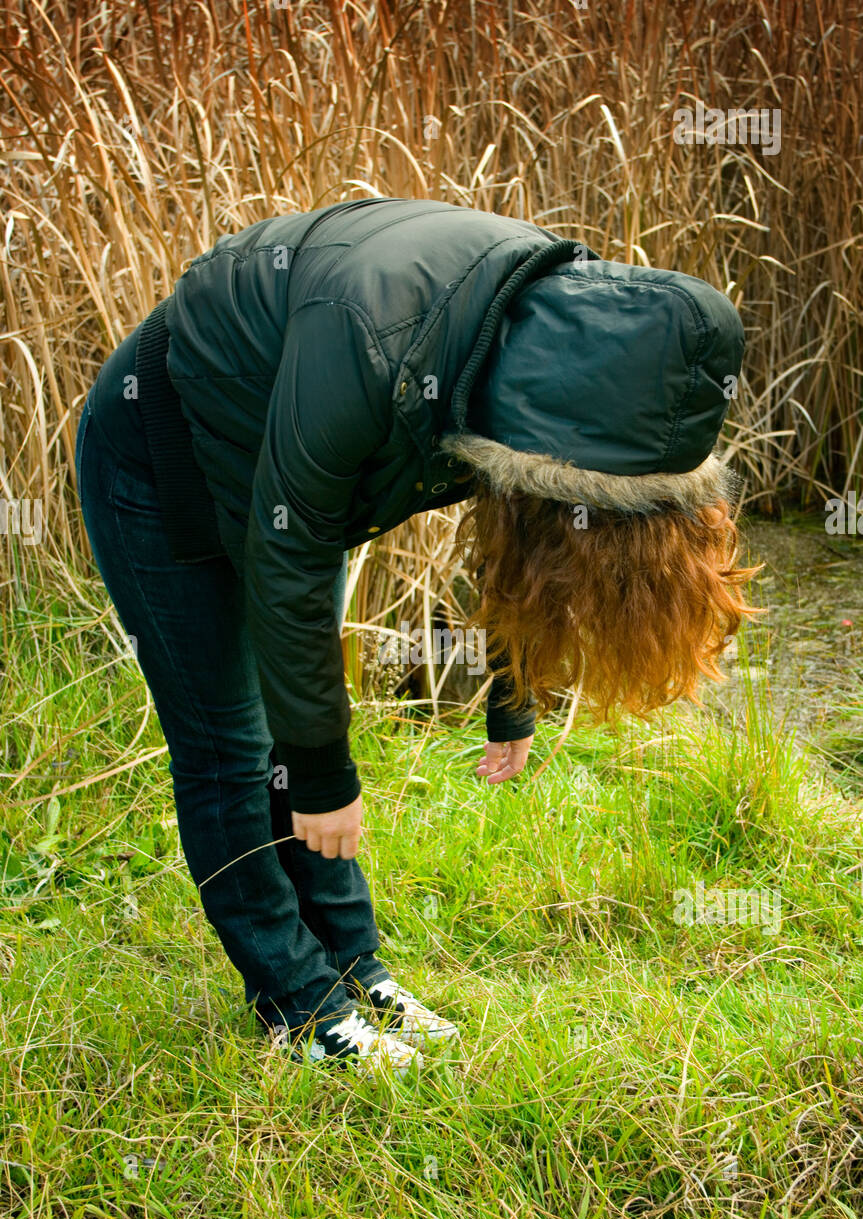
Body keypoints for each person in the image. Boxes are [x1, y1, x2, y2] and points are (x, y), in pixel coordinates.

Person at [74, 196, 756, 1074]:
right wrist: (319, 777)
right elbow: (288, 551)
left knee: (299, 726)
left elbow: (530, 541)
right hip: (158, 467)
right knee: (233, 747)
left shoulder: (550, 349)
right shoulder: (375, 338)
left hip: (285, 486)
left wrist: (511, 704)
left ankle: (355, 970)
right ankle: (297, 1003)